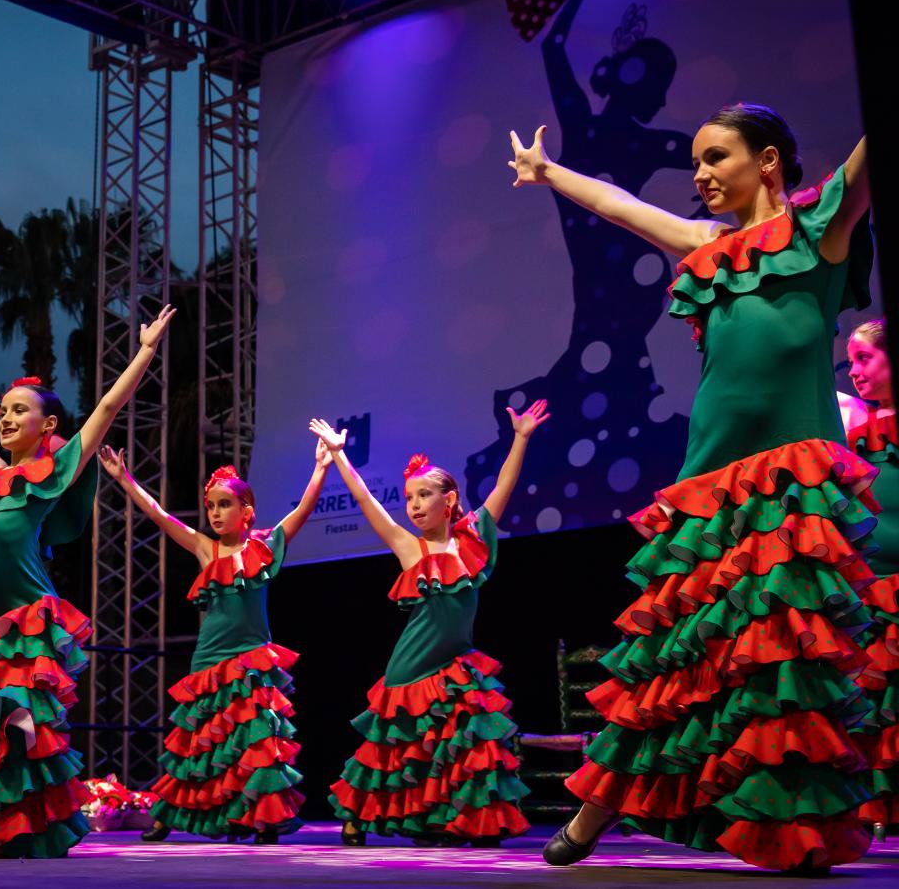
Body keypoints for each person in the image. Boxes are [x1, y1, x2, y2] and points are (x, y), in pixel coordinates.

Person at [509, 108, 876, 872]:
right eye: (696, 162)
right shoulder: (707, 246)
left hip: (793, 478)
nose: (701, 174)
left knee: (784, 666)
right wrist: (550, 173)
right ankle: (594, 809)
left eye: (716, 158)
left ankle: (791, 829)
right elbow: (621, 204)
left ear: (768, 161)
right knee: (670, 658)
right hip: (709, 480)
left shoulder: (821, 230)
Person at [0, 307, 174, 858]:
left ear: (46, 426)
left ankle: (18, 824)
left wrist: (144, 351)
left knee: (17, 723)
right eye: (4, 409)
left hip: (29, 622)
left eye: (18, 410)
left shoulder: (52, 473)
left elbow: (108, 407)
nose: (4, 417)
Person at [316, 402, 548, 846]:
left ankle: (462, 821)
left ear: (450, 500)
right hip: (413, 664)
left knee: (462, 745)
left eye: (424, 495)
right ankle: (355, 817)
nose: (415, 505)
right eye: (408, 497)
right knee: (393, 746)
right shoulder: (408, 548)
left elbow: (503, 485)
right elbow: (365, 499)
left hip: (455, 661)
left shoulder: (473, 538)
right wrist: (340, 454)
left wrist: (519, 438)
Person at [96, 438, 332, 843]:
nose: (216, 513)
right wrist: (124, 479)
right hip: (210, 658)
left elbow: (303, 510)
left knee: (256, 743)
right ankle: (165, 816)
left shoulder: (263, 546)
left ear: (247, 511)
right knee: (197, 743)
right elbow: (159, 515)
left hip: (253, 658)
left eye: (225, 504)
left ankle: (263, 818)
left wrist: (322, 467)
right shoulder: (206, 549)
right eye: (212, 506)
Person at [842, 318, 898, 835]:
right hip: (866, 586)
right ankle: (873, 812)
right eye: (851, 360)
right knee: (869, 706)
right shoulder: (854, 424)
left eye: (865, 358)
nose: (854, 370)